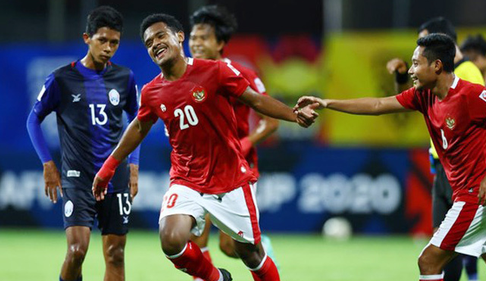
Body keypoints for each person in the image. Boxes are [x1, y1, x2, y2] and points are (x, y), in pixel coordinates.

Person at [92, 13, 317, 281]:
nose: (155, 44)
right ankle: (216, 278)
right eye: (149, 42)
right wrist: (108, 167)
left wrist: (294, 115)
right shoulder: (152, 92)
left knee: (251, 255)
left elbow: (256, 100)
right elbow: (140, 126)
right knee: (171, 239)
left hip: (230, 179)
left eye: (161, 36)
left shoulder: (215, 71)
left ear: (178, 37)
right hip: (186, 180)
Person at [296, 33, 486, 281]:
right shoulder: (424, 96)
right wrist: (326, 102)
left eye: (416, 63)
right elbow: (378, 105)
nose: (411, 70)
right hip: (476, 195)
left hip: (477, 194)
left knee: (428, 261)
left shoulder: (471, 95)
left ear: (436, 65)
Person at [26, 6, 140, 281]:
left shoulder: (125, 78)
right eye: (103, 40)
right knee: (77, 250)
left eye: (114, 42)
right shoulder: (62, 79)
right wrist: (48, 164)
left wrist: (133, 165)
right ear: (86, 38)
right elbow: (33, 119)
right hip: (78, 177)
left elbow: (138, 121)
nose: (108, 48)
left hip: (115, 176)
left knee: (116, 254)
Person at [386, 17, 483, 281]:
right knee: (446, 242)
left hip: (465, 171)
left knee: (443, 249)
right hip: (442, 167)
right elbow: (406, 99)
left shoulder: (466, 73)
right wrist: (400, 76)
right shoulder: (431, 82)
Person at [187, 6, 280, 279]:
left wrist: (245, 142)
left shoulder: (241, 74)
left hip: (235, 167)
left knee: (233, 246)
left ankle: (266, 256)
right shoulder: (184, 74)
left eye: (204, 37)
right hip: (199, 169)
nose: (196, 43)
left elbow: (270, 121)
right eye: (193, 37)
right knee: (194, 239)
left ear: (221, 43)